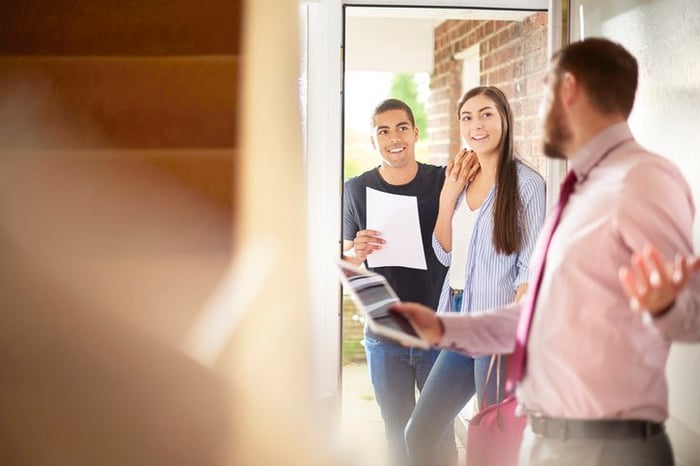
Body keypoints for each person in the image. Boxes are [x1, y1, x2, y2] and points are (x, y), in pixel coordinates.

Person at [392, 37, 700, 466]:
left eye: (545, 90)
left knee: (492, 445)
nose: (537, 111)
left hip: (606, 439)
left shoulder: (638, 180)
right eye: (467, 116)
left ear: (568, 90)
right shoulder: (582, 189)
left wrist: (667, 305)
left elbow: (690, 307)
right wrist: (444, 327)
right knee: (428, 432)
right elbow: (541, 300)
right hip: (552, 428)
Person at [403, 86, 545, 466]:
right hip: (458, 317)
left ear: (504, 120)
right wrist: (448, 198)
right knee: (419, 431)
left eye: (485, 114)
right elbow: (443, 252)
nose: (475, 125)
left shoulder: (527, 185)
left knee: (491, 445)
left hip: (495, 324)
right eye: (466, 117)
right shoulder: (463, 180)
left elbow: (529, 269)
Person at [342, 98, 455, 465]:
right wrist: (356, 253)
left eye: (401, 128)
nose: (394, 138)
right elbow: (346, 261)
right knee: (396, 433)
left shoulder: (442, 181)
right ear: (373, 139)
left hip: (434, 331)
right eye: (383, 131)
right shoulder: (355, 189)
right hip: (385, 335)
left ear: (415, 133)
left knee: (439, 433)